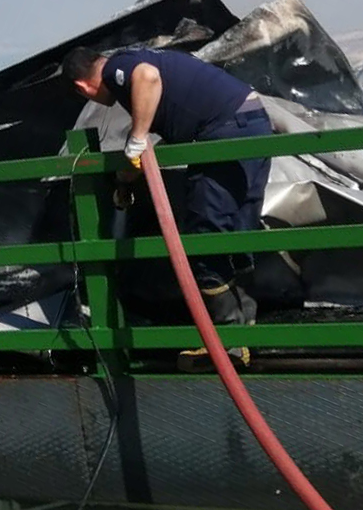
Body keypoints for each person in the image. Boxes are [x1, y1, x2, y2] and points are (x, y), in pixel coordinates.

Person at [60, 45, 271, 363]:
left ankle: (228, 341)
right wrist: (125, 180)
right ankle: (246, 334)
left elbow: (148, 78)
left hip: (224, 133)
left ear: (82, 88)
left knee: (204, 242)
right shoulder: (142, 57)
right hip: (253, 122)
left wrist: (136, 138)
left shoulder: (119, 71)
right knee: (237, 237)